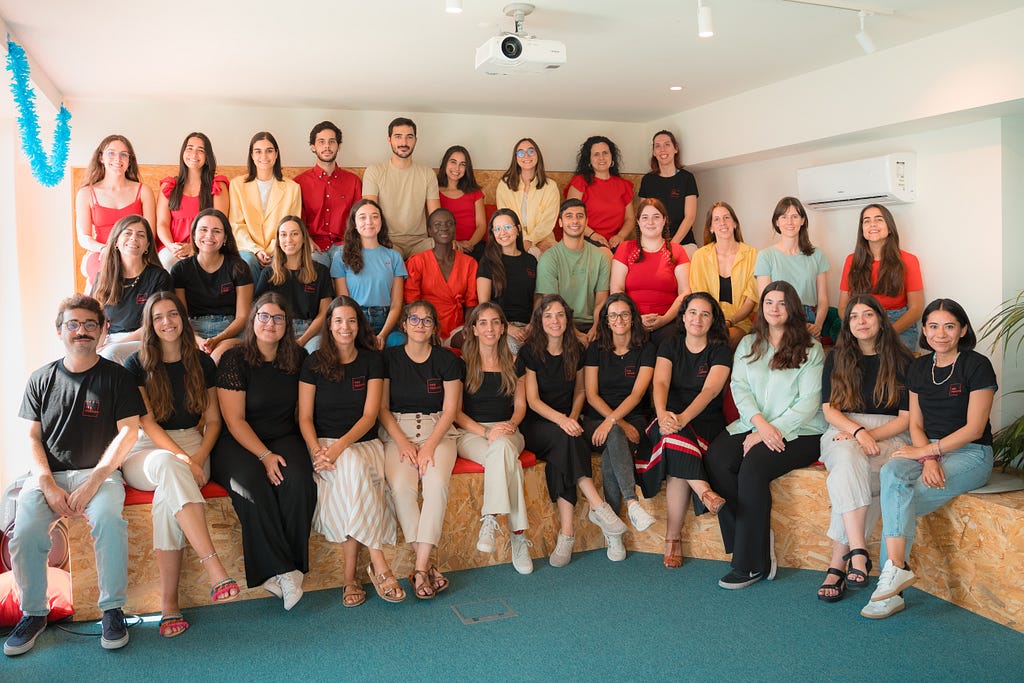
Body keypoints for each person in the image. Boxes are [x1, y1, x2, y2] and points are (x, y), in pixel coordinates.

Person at [5, 295, 143, 656]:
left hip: (100, 475)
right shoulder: (40, 378)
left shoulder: (118, 377)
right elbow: (32, 437)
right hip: (49, 476)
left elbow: (129, 432)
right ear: (60, 330)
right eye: (73, 324)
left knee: (109, 522)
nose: (82, 331)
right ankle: (34, 613)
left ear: (103, 330)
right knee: (24, 534)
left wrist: (95, 480)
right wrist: (47, 483)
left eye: (89, 325)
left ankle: (112, 610)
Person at [862, 299, 996, 620]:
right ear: (923, 330)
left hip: (971, 452)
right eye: (933, 326)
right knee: (893, 471)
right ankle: (895, 576)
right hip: (929, 450)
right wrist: (928, 459)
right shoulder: (919, 368)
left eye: (949, 326)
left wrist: (928, 453)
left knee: (900, 499)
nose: (941, 333)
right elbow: (916, 425)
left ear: (962, 329)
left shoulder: (977, 365)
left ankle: (890, 585)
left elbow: (974, 428)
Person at [121, 293, 240, 637]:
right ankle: (214, 567)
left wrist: (199, 456)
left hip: (193, 443)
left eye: (173, 315)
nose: (167, 322)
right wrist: (185, 459)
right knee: (170, 468)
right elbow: (148, 425)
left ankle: (169, 603)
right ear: (150, 324)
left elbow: (214, 421)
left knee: (165, 501)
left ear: (184, 320)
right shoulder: (135, 364)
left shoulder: (202, 364)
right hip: (145, 450)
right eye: (158, 317)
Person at [704, 281, 826, 589]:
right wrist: (761, 426)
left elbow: (809, 403)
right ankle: (754, 537)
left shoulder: (812, 349)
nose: (774, 308)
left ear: (793, 308)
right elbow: (739, 388)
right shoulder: (749, 343)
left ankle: (750, 564)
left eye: (782, 303)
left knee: (753, 466)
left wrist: (773, 430)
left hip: (802, 432)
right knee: (718, 458)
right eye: (769, 302)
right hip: (754, 425)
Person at [210, 293, 315, 611]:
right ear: (253, 320)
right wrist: (264, 456)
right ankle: (282, 569)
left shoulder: (298, 357)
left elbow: (303, 408)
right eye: (264, 316)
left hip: (283, 433)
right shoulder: (234, 358)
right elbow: (234, 419)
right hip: (237, 440)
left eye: (278, 318)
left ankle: (292, 568)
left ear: (287, 325)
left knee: (298, 481)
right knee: (252, 487)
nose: (270, 323)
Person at [297, 296, 402, 607]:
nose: (345, 327)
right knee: (351, 476)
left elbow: (370, 416)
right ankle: (377, 564)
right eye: (339, 320)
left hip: (363, 444)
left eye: (352, 321)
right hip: (324, 446)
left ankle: (350, 577)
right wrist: (318, 450)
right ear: (329, 325)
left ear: (360, 325)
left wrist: (340, 448)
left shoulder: (372, 361)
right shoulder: (313, 362)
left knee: (353, 464)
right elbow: (304, 417)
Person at [519, 295, 629, 567]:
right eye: (548, 316)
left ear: (567, 319)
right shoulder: (529, 351)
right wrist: (562, 420)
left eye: (559, 315)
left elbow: (580, 390)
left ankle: (566, 534)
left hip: (567, 421)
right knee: (566, 438)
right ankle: (598, 507)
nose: (554, 321)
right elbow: (532, 401)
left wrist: (571, 417)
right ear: (539, 321)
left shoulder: (576, 349)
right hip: (536, 423)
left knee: (567, 445)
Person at [817, 295, 912, 603]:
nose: (860, 321)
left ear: (881, 320)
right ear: (848, 325)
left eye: (867, 315)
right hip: (843, 428)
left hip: (890, 433)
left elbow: (906, 419)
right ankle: (859, 551)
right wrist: (857, 432)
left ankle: (838, 564)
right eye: (854, 316)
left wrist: (870, 434)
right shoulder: (836, 357)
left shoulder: (903, 359)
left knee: (851, 475)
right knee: (847, 458)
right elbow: (830, 410)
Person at [640, 292, 731, 568]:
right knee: (676, 442)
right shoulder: (670, 344)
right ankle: (704, 492)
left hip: (704, 421)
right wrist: (662, 414)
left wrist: (681, 418)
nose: (697, 319)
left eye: (705, 314)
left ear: (713, 319)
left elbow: (710, 391)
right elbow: (660, 384)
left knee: (677, 449)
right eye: (692, 312)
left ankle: (672, 538)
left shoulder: (720, 350)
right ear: (683, 316)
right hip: (666, 417)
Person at [379, 301, 462, 597]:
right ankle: (426, 569)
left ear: (434, 328)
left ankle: (419, 568)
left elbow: (451, 409)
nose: (420, 324)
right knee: (402, 489)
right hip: (396, 431)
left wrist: (428, 447)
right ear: (403, 324)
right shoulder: (388, 358)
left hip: (437, 431)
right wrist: (402, 442)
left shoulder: (447, 360)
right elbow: (382, 408)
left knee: (437, 484)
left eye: (427, 320)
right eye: (414, 319)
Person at [455, 303, 532, 574]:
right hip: (472, 433)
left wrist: (509, 425)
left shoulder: (514, 362)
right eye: (483, 323)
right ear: (474, 329)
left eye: (495, 322)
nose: (489, 328)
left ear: (502, 328)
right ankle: (518, 536)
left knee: (503, 449)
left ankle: (490, 517)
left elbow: (520, 407)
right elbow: (455, 413)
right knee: (507, 459)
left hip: (509, 431)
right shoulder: (462, 364)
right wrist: (487, 432)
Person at [583, 294, 658, 533]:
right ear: (605, 320)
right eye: (613, 315)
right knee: (615, 434)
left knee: (612, 443)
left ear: (633, 318)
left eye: (624, 314)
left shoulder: (646, 348)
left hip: (633, 416)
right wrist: (612, 421)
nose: (619, 319)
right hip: (596, 418)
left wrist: (615, 422)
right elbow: (592, 394)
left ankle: (611, 528)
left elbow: (637, 394)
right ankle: (632, 502)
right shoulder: (596, 348)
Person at [170, 209, 253, 361]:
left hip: (230, 330)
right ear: (194, 235)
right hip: (193, 331)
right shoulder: (181, 270)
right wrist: (197, 340)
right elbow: (180, 316)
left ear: (225, 238)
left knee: (217, 359)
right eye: (203, 230)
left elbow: (242, 317)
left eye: (216, 231)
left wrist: (218, 339)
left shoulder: (239, 267)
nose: (209, 236)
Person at [838, 204, 924, 350]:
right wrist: (858, 325)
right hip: (860, 322)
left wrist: (886, 333)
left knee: (886, 359)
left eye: (879, 219)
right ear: (862, 231)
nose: (872, 224)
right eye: (866, 221)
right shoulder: (851, 261)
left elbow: (916, 308)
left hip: (896, 324)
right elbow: (842, 307)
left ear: (889, 227)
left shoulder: (908, 260)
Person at [75, 134, 156, 285]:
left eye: (123, 154)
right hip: (100, 252)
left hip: (135, 251)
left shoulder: (144, 191)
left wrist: (132, 251)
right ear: (101, 158)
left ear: (129, 160)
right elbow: (83, 237)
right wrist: (105, 249)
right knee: (103, 274)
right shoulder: (86, 193)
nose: (117, 159)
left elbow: (150, 233)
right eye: (111, 153)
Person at [91, 215, 172, 364]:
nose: (134, 238)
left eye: (140, 235)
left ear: (147, 245)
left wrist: (114, 345)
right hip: (112, 339)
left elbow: (156, 323)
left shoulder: (159, 277)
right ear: (116, 242)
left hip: (147, 339)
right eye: (128, 233)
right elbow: (99, 320)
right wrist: (96, 347)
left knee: (110, 354)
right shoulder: (104, 277)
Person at [610, 198, 691, 345]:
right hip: (630, 321)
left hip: (669, 322)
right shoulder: (625, 249)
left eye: (656, 217)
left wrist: (664, 319)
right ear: (638, 222)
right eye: (645, 217)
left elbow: (685, 292)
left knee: (672, 343)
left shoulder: (677, 251)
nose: (651, 222)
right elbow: (616, 289)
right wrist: (634, 318)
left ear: (665, 220)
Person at [331, 199, 407, 349]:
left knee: (399, 342)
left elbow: (396, 304)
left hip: (386, 321)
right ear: (354, 223)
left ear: (381, 221)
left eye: (375, 216)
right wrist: (363, 333)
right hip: (355, 320)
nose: (369, 222)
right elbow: (344, 301)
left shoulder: (394, 256)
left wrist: (382, 335)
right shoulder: (341, 255)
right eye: (362, 217)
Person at [362, 117, 441, 258]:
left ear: (415, 140)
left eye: (409, 137)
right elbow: (369, 213)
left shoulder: (427, 173)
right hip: (387, 240)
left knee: (443, 249)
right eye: (398, 137)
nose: (404, 143)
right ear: (389, 139)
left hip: (420, 241)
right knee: (389, 260)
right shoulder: (374, 171)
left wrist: (445, 241)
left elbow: (436, 217)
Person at [228, 131, 302, 281]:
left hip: (280, 248)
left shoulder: (293, 188)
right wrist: (256, 250)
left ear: (276, 154)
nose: (264, 156)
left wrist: (271, 250)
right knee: (248, 262)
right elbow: (236, 225)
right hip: (247, 248)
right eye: (258, 151)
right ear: (252, 155)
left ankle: (273, 303)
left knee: (278, 263)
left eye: (269, 151)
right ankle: (253, 304)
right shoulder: (237, 185)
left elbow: (292, 226)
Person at [535, 199, 610, 343]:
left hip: (593, 323)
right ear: (560, 222)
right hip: (559, 323)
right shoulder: (549, 258)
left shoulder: (600, 257)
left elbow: (601, 300)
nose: (575, 220)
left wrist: (596, 327)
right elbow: (552, 304)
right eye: (569, 216)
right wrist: (575, 333)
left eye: (580, 216)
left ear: (586, 222)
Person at [255, 216, 333, 351]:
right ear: (278, 241)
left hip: (311, 332)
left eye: (294, 234)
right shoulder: (269, 273)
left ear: (304, 238)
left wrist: (302, 340)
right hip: (278, 329)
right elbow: (258, 312)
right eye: (283, 235)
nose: (289, 239)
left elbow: (324, 313)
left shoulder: (321, 272)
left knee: (314, 352)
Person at [754, 197, 829, 338]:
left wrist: (817, 325)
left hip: (807, 317)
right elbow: (765, 300)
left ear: (802, 221)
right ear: (777, 222)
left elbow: (823, 299)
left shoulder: (817, 255)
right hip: (777, 316)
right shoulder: (765, 256)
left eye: (794, 216)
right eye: (784, 217)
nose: (789, 222)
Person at [404, 208, 479, 348]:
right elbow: (412, 304)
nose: (444, 228)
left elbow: (471, 304)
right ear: (429, 230)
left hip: (456, 327)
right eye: (437, 224)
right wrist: (427, 329)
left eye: (449, 223)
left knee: (471, 344)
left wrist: (468, 329)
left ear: (455, 228)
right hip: (424, 327)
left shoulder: (469, 263)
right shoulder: (418, 261)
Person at [689, 202, 759, 348]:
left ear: (735, 223)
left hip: (740, 322)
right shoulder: (700, 256)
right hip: (706, 322)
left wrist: (729, 322)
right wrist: (712, 324)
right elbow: (699, 297)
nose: (723, 223)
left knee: (723, 340)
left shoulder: (752, 254)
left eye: (727, 218)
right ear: (711, 228)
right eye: (717, 219)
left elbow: (750, 300)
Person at [156, 132, 229, 271]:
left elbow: (220, 225)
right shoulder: (169, 186)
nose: (194, 154)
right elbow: (162, 224)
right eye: (189, 148)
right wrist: (172, 247)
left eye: (200, 150)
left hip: (206, 245)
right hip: (173, 248)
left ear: (207, 157)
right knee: (166, 260)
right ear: (183, 152)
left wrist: (193, 247)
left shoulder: (217, 185)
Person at [293, 121, 362, 268]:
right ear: (313, 146)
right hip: (312, 245)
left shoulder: (353, 181)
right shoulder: (298, 183)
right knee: (315, 266)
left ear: (339, 146)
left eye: (332, 142)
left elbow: (359, 219)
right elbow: (296, 219)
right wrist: (306, 240)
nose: (327, 146)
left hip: (344, 245)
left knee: (345, 261)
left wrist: (352, 244)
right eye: (321, 142)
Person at [476, 209, 537, 353]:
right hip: (499, 326)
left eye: (507, 227)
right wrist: (507, 327)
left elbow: (537, 296)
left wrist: (533, 324)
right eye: (497, 229)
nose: (502, 232)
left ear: (518, 229)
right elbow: (484, 304)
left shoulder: (531, 260)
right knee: (515, 349)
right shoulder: (487, 261)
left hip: (530, 325)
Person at [565, 135, 635, 252]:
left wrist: (620, 236)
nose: (601, 157)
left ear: (612, 157)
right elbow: (571, 217)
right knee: (605, 256)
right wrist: (593, 235)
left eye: (605, 153)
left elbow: (630, 219)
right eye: (596, 154)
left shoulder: (623, 185)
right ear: (589, 160)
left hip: (615, 242)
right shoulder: (580, 183)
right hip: (585, 238)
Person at [495, 138, 560, 256]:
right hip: (512, 238)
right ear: (516, 158)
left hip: (543, 239)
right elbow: (505, 218)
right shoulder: (504, 185)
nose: (526, 155)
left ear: (537, 155)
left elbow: (548, 221)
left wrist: (531, 240)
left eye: (531, 151)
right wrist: (524, 241)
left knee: (552, 258)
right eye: (520, 152)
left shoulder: (550, 186)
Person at [638, 130, 699, 247]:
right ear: (654, 152)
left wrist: (671, 246)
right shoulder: (647, 180)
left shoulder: (687, 178)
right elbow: (643, 216)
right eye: (658, 146)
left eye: (667, 144)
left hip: (683, 243)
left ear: (675, 149)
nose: (662, 150)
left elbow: (690, 217)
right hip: (653, 244)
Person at [436, 145, 486, 258]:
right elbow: (431, 224)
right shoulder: (434, 192)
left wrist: (470, 243)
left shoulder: (475, 192)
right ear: (445, 164)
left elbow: (481, 225)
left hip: (473, 246)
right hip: (445, 245)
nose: (457, 168)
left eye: (462, 164)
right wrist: (452, 243)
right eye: (453, 162)